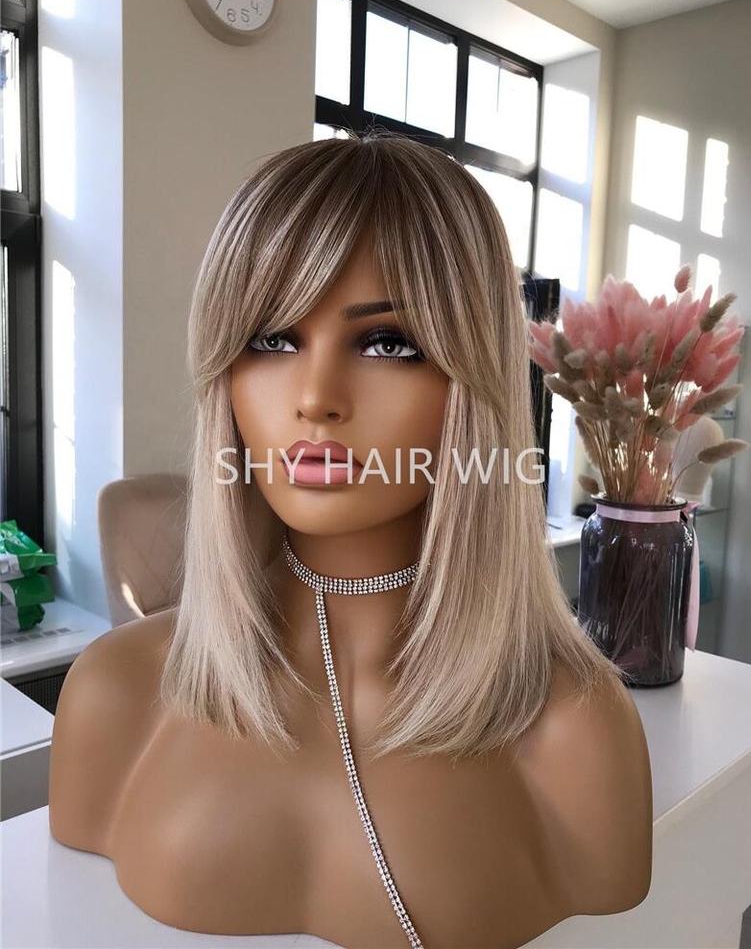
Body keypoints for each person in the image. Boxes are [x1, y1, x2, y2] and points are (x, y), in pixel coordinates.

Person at [49, 133, 653, 949]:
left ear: (473, 382)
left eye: (386, 343)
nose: (315, 398)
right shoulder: (116, 693)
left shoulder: (575, 729)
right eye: (272, 339)